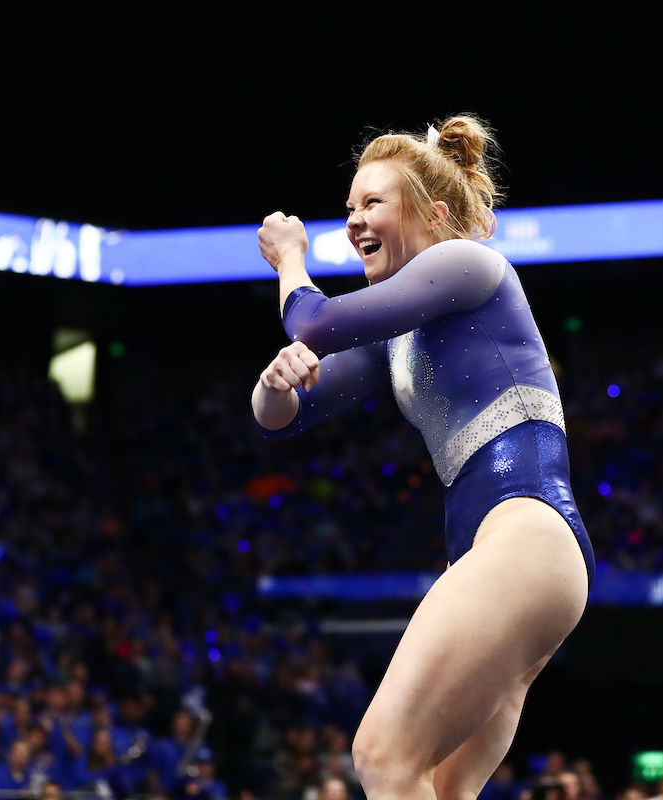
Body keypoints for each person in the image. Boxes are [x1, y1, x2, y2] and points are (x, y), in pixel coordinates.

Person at [252, 116, 594, 800]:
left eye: (372, 202)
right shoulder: (396, 338)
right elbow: (283, 421)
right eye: (349, 207)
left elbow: (314, 322)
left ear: (434, 213)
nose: (353, 221)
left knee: (381, 755)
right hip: (508, 553)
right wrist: (275, 381)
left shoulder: (466, 263)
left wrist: (290, 260)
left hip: (522, 532)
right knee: (439, 785)